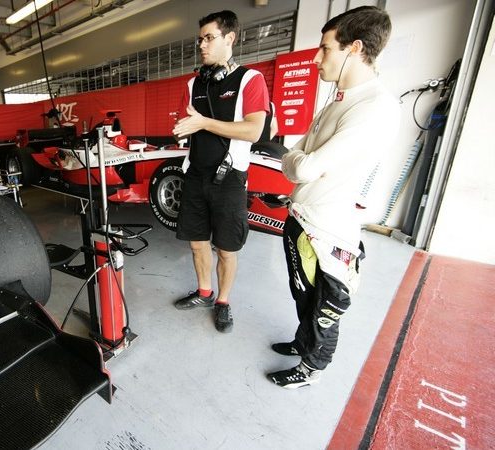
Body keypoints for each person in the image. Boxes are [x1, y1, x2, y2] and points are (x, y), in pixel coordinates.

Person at [267, 6, 399, 388]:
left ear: (354, 48)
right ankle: (301, 342)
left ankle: (313, 368)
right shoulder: (338, 99)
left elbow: (300, 166)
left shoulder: (375, 107)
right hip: (302, 216)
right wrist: (298, 160)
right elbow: (297, 154)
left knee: (325, 304)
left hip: (329, 230)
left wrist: (296, 161)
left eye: (325, 49)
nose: (315, 57)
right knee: (303, 295)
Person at [171, 10, 270, 333]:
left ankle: (223, 302)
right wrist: (184, 129)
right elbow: (189, 126)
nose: (202, 44)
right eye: (200, 39)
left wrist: (203, 122)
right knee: (197, 243)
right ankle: (204, 292)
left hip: (229, 179)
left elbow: (254, 131)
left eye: (209, 38)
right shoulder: (192, 83)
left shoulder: (250, 80)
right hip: (195, 175)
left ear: (230, 38)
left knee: (227, 248)